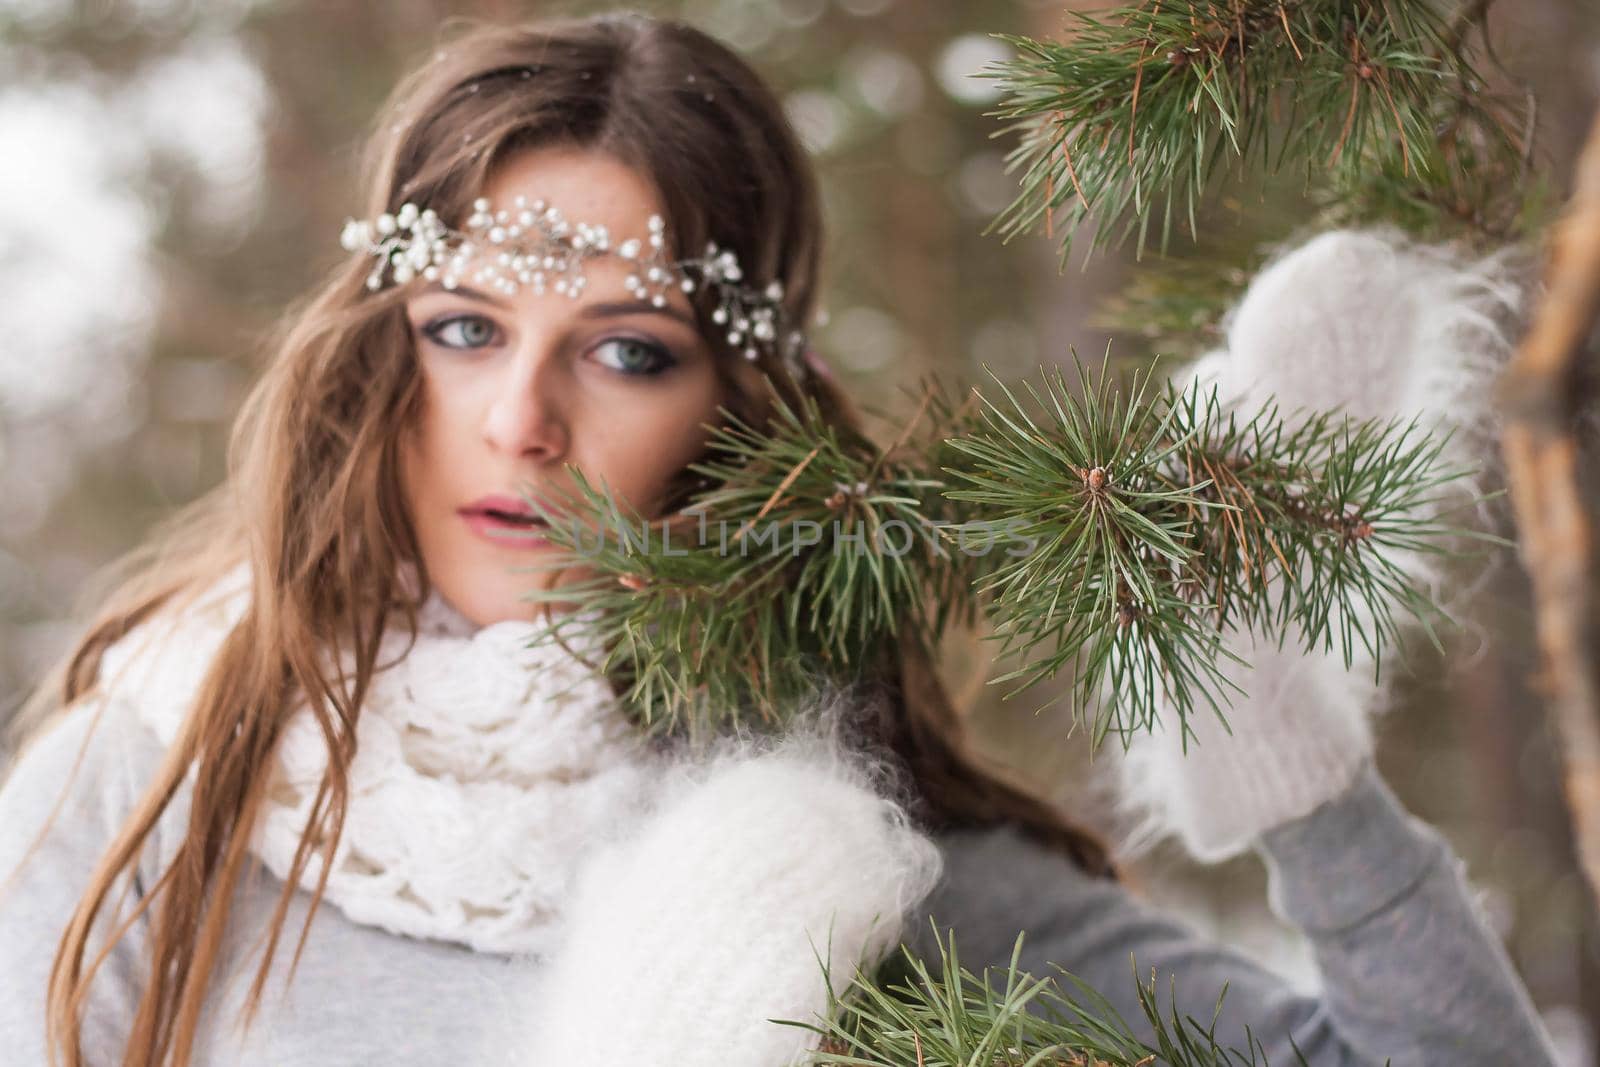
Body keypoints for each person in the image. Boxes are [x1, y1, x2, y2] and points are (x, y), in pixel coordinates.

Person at [0, 11, 1562, 1067]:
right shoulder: (160, 781)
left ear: (739, 408)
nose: (520, 422)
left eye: (627, 352)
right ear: (377, 352)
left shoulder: (857, 854)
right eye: (465, 328)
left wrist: (1294, 764)